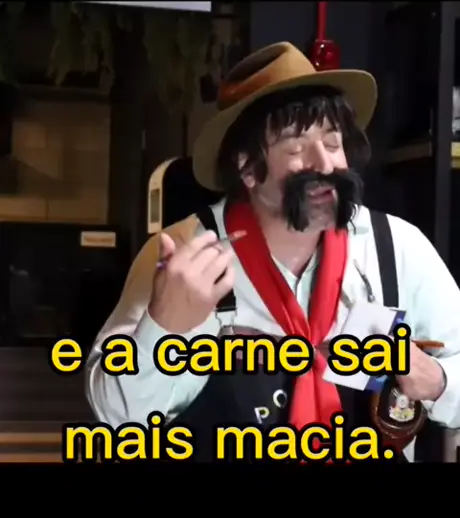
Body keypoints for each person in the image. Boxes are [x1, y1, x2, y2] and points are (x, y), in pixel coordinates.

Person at [86, 42, 460, 462]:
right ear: (247, 167)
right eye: (297, 148)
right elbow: (117, 418)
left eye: (333, 143)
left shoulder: (396, 249)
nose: (325, 164)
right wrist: (162, 328)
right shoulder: (185, 257)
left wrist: (439, 381)